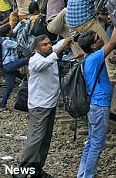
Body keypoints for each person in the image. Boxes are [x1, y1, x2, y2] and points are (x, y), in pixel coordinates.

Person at [20, 35, 73, 174]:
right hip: (40, 106)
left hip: (50, 103)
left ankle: (37, 169)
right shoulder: (35, 60)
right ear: (37, 48)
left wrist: (69, 38)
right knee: (35, 138)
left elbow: (57, 47)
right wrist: (60, 48)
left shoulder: (49, 53)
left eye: (49, 43)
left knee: (45, 139)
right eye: (44, 44)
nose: (49, 46)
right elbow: (49, 60)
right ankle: (23, 169)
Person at [76, 28, 116, 178]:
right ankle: (87, 175)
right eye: (98, 38)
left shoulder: (88, 58)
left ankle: (82, 174)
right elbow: (113, 42)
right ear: (94, 46)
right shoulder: (95, 57)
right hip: (99, 105)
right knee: (96, 144)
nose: (101, 38)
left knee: (91, 142)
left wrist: (113, 81)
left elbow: (97, 79)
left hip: (94, 105)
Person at [65, 0, 116, 81]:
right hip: (85, 22)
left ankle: (86, 73)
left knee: (87, 48)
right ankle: (112, 75)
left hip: (72, 23)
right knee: (106, 43)